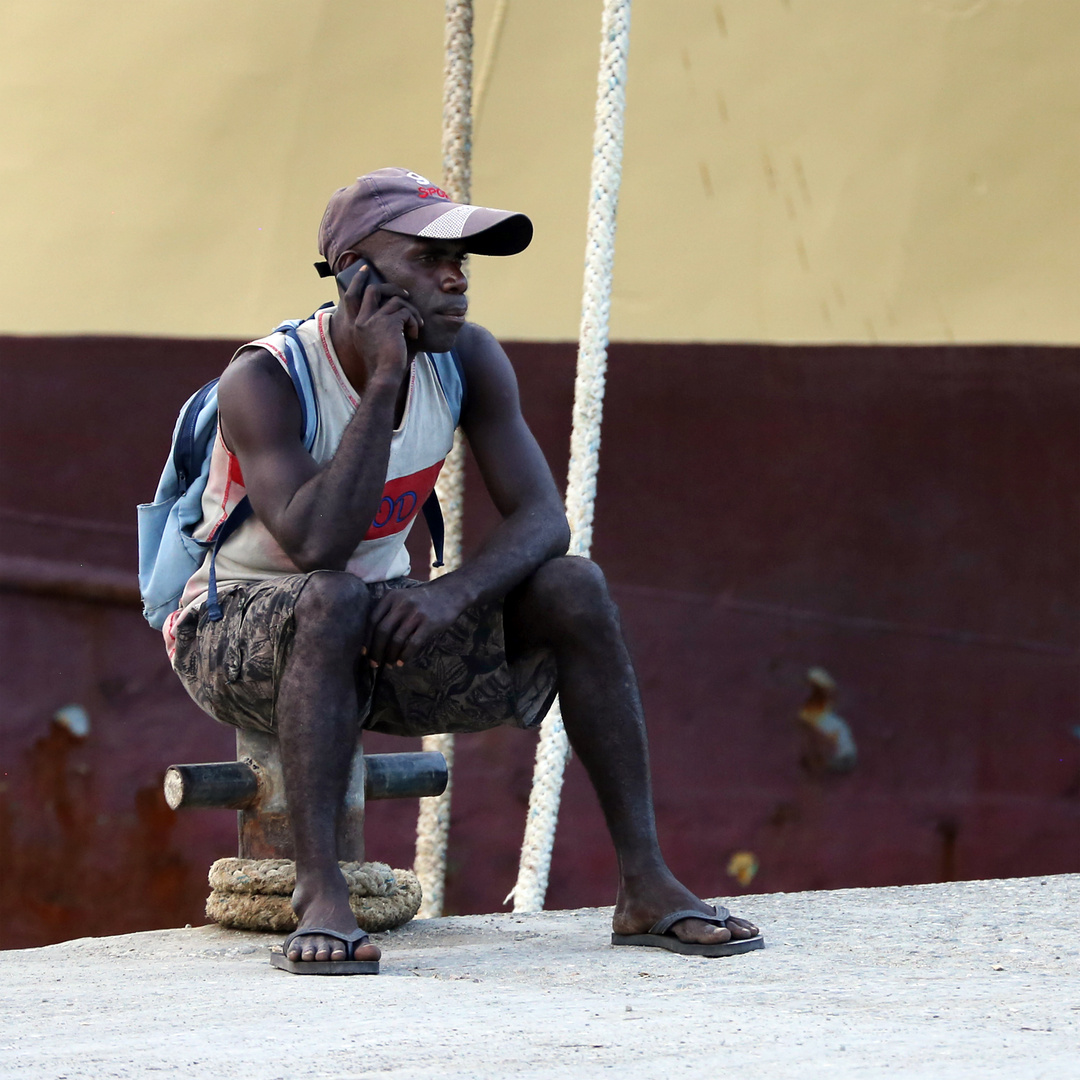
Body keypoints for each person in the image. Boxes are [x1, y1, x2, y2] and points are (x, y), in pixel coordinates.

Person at [165, 167, 761, 972]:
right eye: (428, 260)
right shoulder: (266, 378)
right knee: (334, 594)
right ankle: (320, 890)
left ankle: (645, 884)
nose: (455, 281)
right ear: (356, 276)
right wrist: (383, 382)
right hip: (229, 633)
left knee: (573, 586)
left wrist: (455, 594)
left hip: (371, 625)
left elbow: (544, 517)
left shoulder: (468, 359)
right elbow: (315, 549)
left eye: (464, 264)